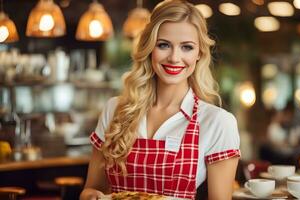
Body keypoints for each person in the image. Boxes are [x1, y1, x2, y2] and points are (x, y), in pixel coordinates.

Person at [80, 1, 240, 200]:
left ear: (199, 53)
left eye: (187, 47)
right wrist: (91, 196)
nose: (174, 57)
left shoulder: (217, 122)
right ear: (149, 48)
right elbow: (91, 189)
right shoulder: (115, 109)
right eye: (163, 45)